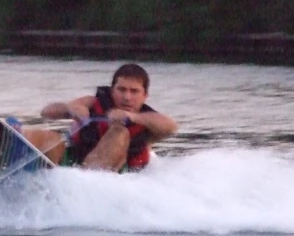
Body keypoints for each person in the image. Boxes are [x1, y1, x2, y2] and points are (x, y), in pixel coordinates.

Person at [21, 63, 177, 172]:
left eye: (134, 91)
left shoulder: (148, 121)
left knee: (119, 132)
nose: (127, 97)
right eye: (121, 89)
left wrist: (131, 117)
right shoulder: (92, 102)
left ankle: (86, 180)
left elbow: (171, 127)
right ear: (112, 90)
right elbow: (46, 112)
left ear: (145, 95)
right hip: (71, 166)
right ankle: (14, 143)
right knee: (53, 138)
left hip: (116, 177)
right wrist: (71, 108)